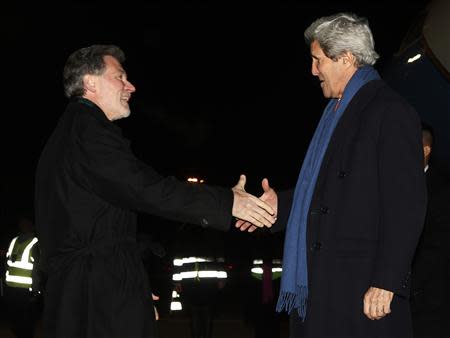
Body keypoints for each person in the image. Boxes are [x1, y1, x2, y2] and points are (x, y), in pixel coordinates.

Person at [34, 44, 276, 338]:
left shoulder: (75, 130)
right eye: (120, 77)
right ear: (90, 83)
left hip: (94, 286)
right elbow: (144, 188)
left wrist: (126, 288)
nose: (131, 86)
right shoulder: (87, 131)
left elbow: (94, 220)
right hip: (93, 289)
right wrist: (227, 203)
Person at [237, 12, 426, 338]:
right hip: (324, 284)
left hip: (361, 286)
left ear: (346, 58)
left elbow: (406, 203)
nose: (313, 70)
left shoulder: (389, 111)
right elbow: (327, 188)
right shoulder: (336, 112)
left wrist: (387, 280)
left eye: (318, 60)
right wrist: (278, 205)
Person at [410, 122, 450, 338]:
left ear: (425, 150)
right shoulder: (406, 185)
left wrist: (409, 283)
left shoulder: (441, 189)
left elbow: (437, 246)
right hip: (409, 299)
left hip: (430, 300)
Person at [3, 214, 43, 338]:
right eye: (22, 222)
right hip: (11, 288)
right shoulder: (14, 240)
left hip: (26, 290)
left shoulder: (35, 242)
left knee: (26, 322)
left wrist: (35, 291)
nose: (23, 225)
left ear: (33, 225)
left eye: (26, 222)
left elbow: (37, 269)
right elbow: (7, 262)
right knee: (14, 321)